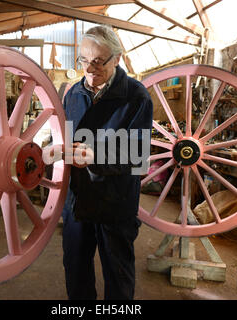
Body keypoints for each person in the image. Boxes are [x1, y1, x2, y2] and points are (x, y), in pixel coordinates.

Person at [61, 25, 153, 300]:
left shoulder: (136, 96)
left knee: (117, 274)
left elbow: (138, 154)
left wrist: (95, 156)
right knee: (75, 271)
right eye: (84, 60)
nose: (89, 69)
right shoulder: (73, 95)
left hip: (115, 202)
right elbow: (64, 139)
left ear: (117, 58)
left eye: (99, 61)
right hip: (77, 201)